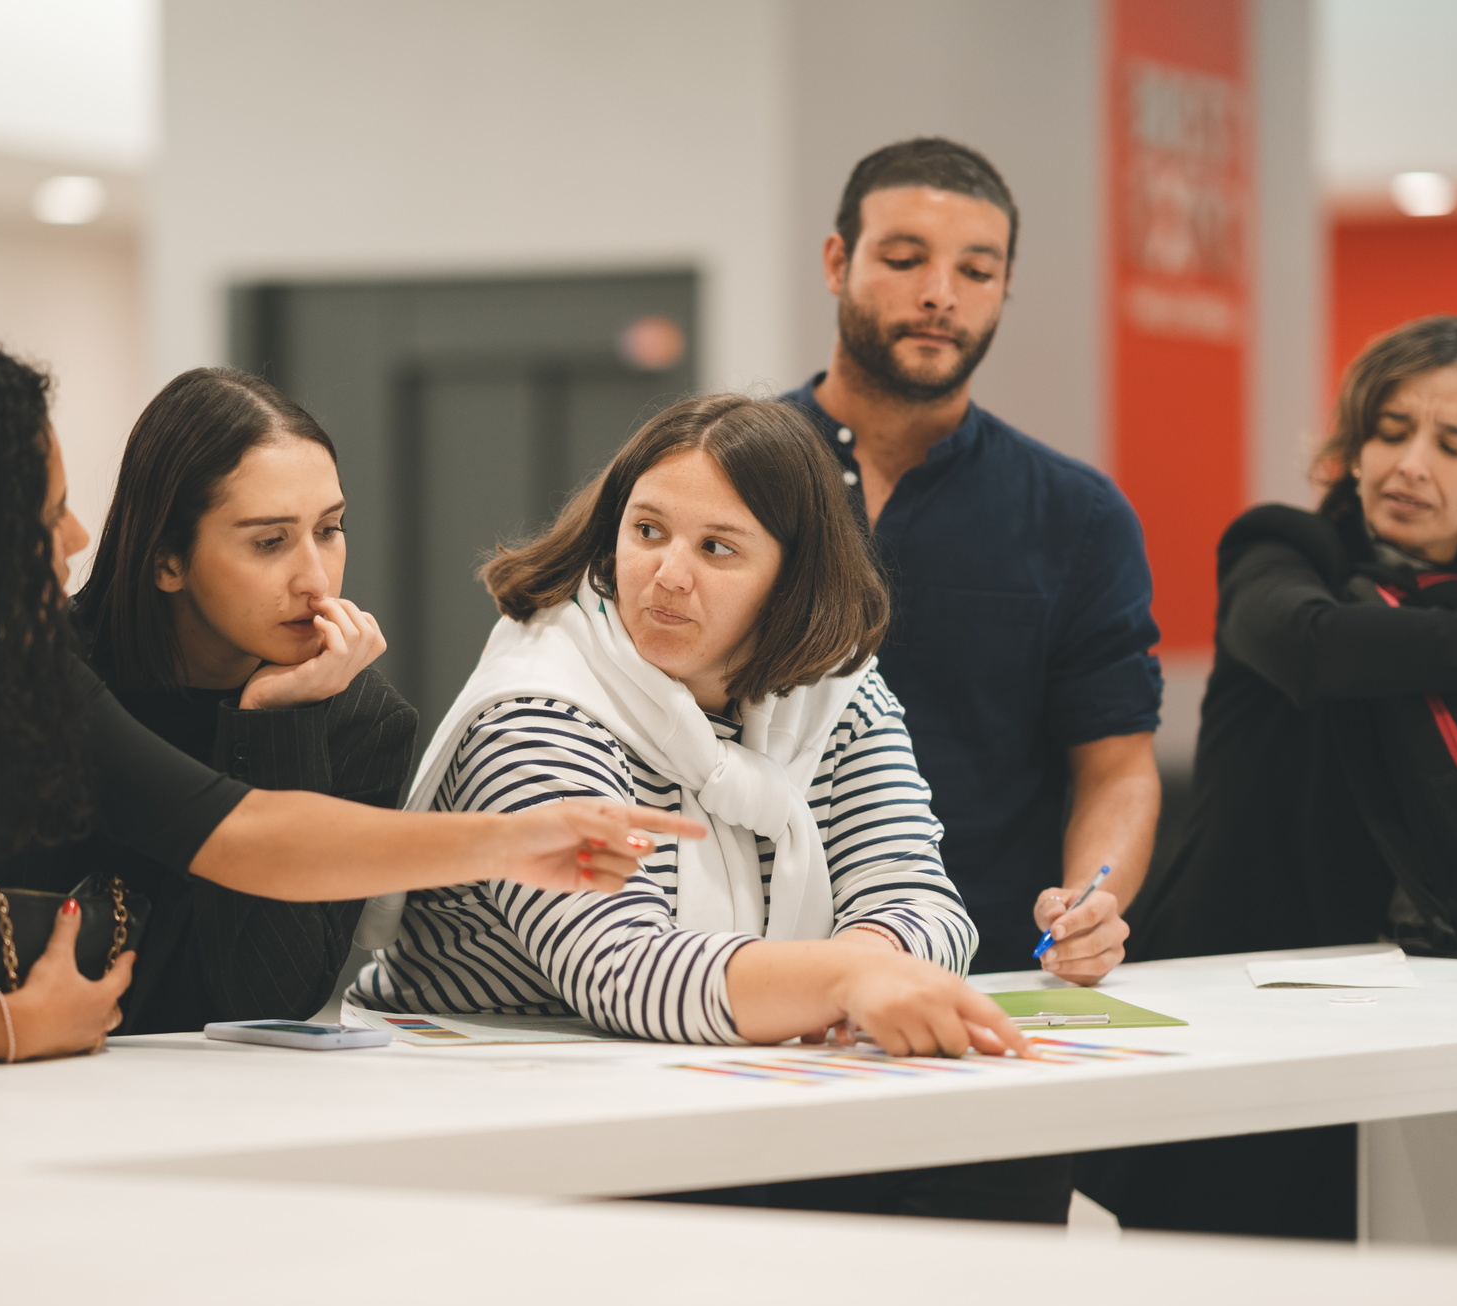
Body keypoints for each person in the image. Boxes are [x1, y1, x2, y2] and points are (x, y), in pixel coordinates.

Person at [0, 344, 695, 1068]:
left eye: (328, 528)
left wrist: (520, 840)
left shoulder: (12, 671)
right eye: (45, 514)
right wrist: (8, 1028)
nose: (73, 537)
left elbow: (244, 837)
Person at [349, 393, 1028, 1065]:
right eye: (647, 532)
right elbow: (622, 969)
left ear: (792, 579)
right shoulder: (535, 709)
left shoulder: (840, 696)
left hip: (712, 1089)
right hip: (477, 1096)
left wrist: (869, 959)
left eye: (717, 548)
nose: (668, 576)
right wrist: (842, 983)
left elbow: (919, 896)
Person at [1082, 314, 1457, 1239]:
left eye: (1451, 443)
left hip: (1449, 1003)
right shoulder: (1286, 550)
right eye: (1390, 431)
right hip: (1247, 987)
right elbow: (1314, 647)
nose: (1410, 464)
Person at [778, 136, 1164, 1222]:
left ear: (1003, 288)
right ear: (836, 261)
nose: (940, 294)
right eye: (904, 257)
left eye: (976, 269)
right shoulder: (726, 479)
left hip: (980, 1005)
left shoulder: (1076, 518)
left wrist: (1093, 903)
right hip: (747, 1001)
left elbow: (1119, 766)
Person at [65, 368, 414, 1031]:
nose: (315, 579)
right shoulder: (48, 678)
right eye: (269, 541)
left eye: (330, 529)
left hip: (220, 1108)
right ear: (167, 559)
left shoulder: (362, 723)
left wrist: (276, 726)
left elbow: (270, 1003)